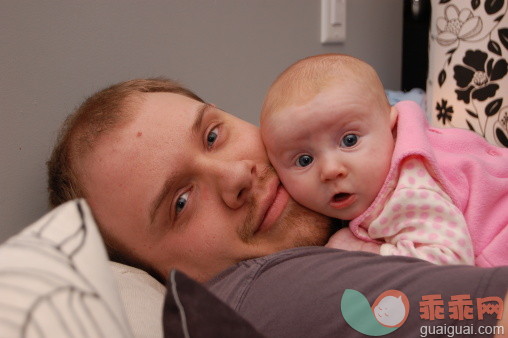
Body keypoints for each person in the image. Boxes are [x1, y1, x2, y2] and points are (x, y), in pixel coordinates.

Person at [47, 78, 508, 337]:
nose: (236, 177)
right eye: (181, 202)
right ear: (156, 273)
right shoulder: (265, 292)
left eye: (212, 135)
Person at [260, 53, 508, 267]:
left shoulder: (409, 190)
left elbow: (450, 263)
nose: (331, 170)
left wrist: (362, 250)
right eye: (304, 160)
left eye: (349, 141)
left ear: (390, 127)